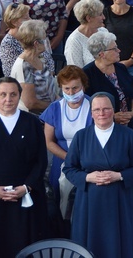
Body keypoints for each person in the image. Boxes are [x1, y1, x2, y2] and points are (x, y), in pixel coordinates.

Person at [63, 92, 133, 257]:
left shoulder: (127, 135)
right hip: (89, 203)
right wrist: (88, 177)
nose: (101, 113)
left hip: (121, 201)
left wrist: (119, 176)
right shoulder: (81, 137)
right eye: (97, 110)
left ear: (113, 110)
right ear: (91, 113)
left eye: (106, 109)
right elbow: (69, 168)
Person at [0, 77, 48, 258]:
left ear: (20, 96)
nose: (8, 99)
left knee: (26, 247)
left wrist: (27, 187)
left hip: (26, 195)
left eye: (13, 94)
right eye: (3, 94)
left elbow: (41, 161)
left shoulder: (32, 123)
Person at [39, 66, 93, 218]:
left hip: (89, 162)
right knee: (61, 203)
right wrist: (69, 158)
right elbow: (48, 141)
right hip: (61, 163)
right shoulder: (54, 108)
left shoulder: (94, 106)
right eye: (66, 88)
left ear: (83, 85)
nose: (71, 93)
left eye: (75, 88)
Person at [82, 31, 133, 124]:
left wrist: (132, 113)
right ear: (102, 54)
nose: (119, 50)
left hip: (129, 124)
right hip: (102, 127)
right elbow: (85, 108)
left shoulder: (120, 68)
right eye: (114, 48)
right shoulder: (86, 75)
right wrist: (112, 118)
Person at [10, 19, 57, 114]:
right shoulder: (24, 66)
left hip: (49, 111)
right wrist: (57, 106)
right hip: (35, 118)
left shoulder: (39, 57)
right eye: (44, 38)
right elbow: (30, 103)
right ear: (36, 43)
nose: (46, 41)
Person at [65, 0, 108, 68]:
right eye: (100, 14)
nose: (104, 17)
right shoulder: (74, 41)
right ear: (89, 18)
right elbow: (76, 72)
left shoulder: (103, 31)